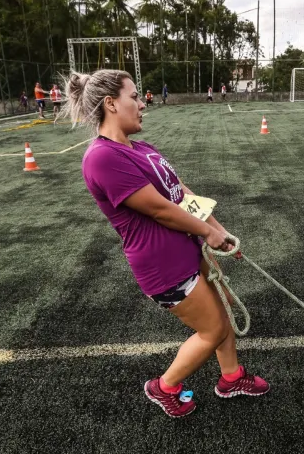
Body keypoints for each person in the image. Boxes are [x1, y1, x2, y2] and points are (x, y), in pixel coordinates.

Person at [65, 69, 270, 418]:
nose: (142, 104)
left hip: (188, 250)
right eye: (134, 97)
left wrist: (219, 230)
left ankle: (231, 377)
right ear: (111, 103)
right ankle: (166, 387)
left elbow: (180, 192)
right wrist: (208, 234)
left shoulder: (140, 147)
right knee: (215, 327)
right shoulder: (102, 157)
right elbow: (160, 209)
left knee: (223, 306)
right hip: (164, 266)